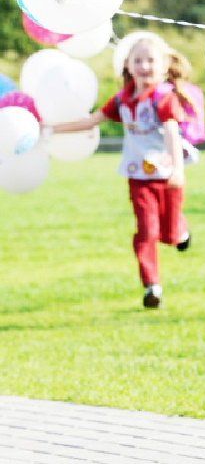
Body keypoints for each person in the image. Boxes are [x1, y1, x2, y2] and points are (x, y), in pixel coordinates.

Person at [50, 34, 191, 309]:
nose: (144, 66)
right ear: (128, 65)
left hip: (168, 176)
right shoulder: (123, 100)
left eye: (151, 60)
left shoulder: (164, 98)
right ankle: (152, 285)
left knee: (169, 235)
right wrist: (51, 129)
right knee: (147, 231)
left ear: (163, 66)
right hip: (139, 177)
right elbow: (92, 120)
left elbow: (173, 134)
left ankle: (181, 232)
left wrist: (177, 170)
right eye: (138, 60)